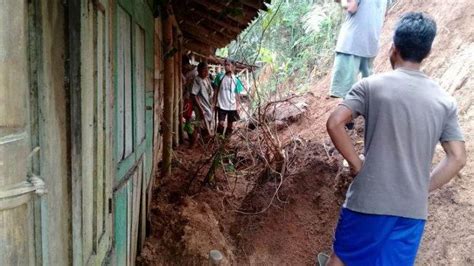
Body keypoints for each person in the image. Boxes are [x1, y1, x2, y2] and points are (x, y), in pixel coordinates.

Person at [323, 12, 466, 266]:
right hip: (411, 211)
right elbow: (457, 158)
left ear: (393, 48)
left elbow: (335, 123)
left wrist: (358, 165)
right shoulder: (445, 101)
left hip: (369, 202)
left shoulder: (371, 86)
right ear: (427, 53)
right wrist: (423, 187)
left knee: (341, 261)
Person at [329, 0, 388, 98]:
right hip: (371, 43)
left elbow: (352, 7)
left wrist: (342, 1)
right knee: (367, 94)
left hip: (352, 44)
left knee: (348, 95)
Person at [213, 58, 244, 138]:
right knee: (221, 123)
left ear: (233, 67)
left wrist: (238, 106)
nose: (226, 67)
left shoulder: (236, 80)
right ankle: (218, 140)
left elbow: (237, 95)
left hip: (232, 106)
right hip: (221, 105)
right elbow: (215, 91)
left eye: (228, 65)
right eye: (225, 65)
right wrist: (213, 103)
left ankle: (226, 142)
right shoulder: (219, 77)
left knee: (230, 125)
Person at [190, 62, 215, 146]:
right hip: (201, 107)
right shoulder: (197, 80)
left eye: (207, 70)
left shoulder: (206, 79)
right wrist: (201, 109)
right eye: (203, 71)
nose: (206, 72)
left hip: (207, 106)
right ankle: (192, 145)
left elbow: (210, 92)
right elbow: (194, 95)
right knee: (198, 126)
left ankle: (204, 143)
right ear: (199, 71)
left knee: (206, 124)